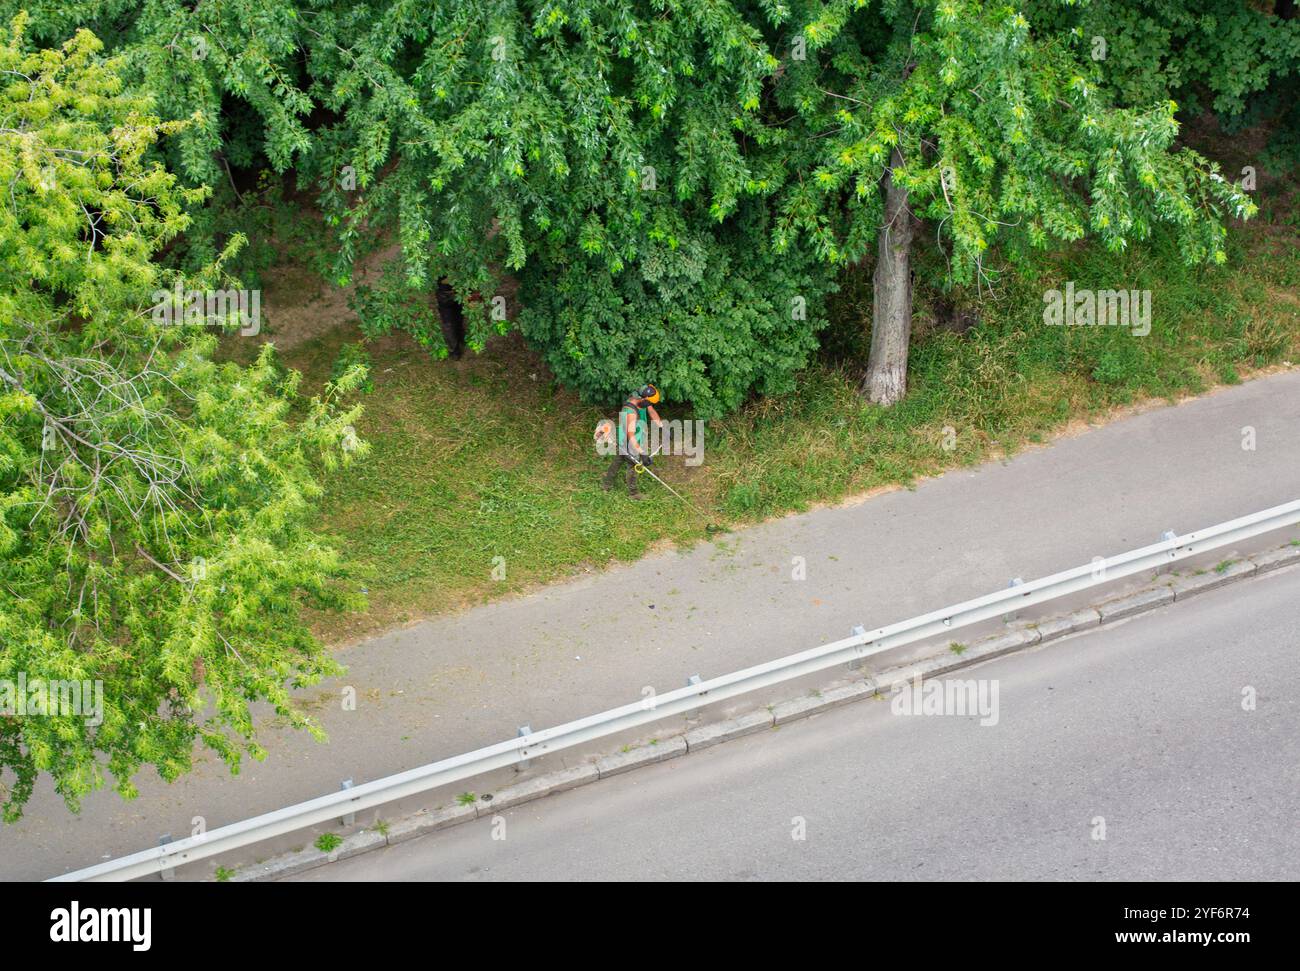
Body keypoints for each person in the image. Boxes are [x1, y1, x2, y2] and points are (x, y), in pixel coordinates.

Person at [601, 384, 663, 500]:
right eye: (649, 403)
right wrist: (642, 453)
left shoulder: (641, 400)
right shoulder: (631, 412)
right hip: (630, 441)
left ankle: (606, 483)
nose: (650, 405)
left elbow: (652, 411)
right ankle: (633, 494)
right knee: (634, 465)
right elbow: (631, 435)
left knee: (618, 460)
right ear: (644, 399)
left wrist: (662, 427)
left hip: (630, 438)